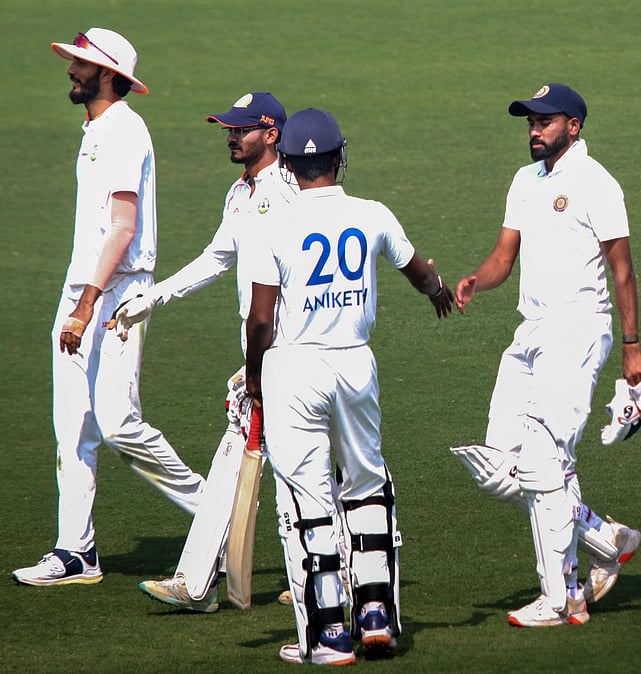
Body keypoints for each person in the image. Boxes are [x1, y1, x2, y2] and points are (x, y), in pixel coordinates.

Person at [243, 108, 454, 663]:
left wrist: (256, 379)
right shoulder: (373, 214)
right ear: (339, 158)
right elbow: (417, 271)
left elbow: (261, 320)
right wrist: (437, 290)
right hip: (356, 367)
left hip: (295, 369)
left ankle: (328, 634)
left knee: (309, 502)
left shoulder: (273, 225)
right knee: (365, 484)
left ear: (286, 165)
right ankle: (377, 611)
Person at [453, 83, 641, 627]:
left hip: (578, 328)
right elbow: (503, 255)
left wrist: (632, 346)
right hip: (531, 331)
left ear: (575, 126)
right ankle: (602, 537)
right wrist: (478, 280)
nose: (534, 128)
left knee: (543, 466)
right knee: (497, 465)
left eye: (545, 120)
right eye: (530, 120)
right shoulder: (524, 180)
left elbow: (623, 271)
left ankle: (561, 597)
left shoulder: (597, 183)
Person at [14, 27, 205, 587]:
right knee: (72, 427)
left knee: (119, 424)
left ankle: (214, 508)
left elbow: (123, 228)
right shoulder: (96, 128)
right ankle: (76, 551)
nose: (71, 71)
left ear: (110, 75)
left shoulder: (124, 129)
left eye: (81, 64)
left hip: (115, 295)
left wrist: (87, 306)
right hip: (84, 290)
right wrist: (77, 300)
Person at [113, 92, 299, 612]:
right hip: (265, 352)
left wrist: (262, 358)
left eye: (242, 129)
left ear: (272, 135)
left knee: (282, 464)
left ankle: (207, 582)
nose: (231, 136)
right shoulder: (239, 193)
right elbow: (217, 257)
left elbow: (294, 279)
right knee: (286, 463)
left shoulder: (289, 192)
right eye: (228, 129)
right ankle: (321, 572)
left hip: (285, 350)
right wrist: (152, 298)